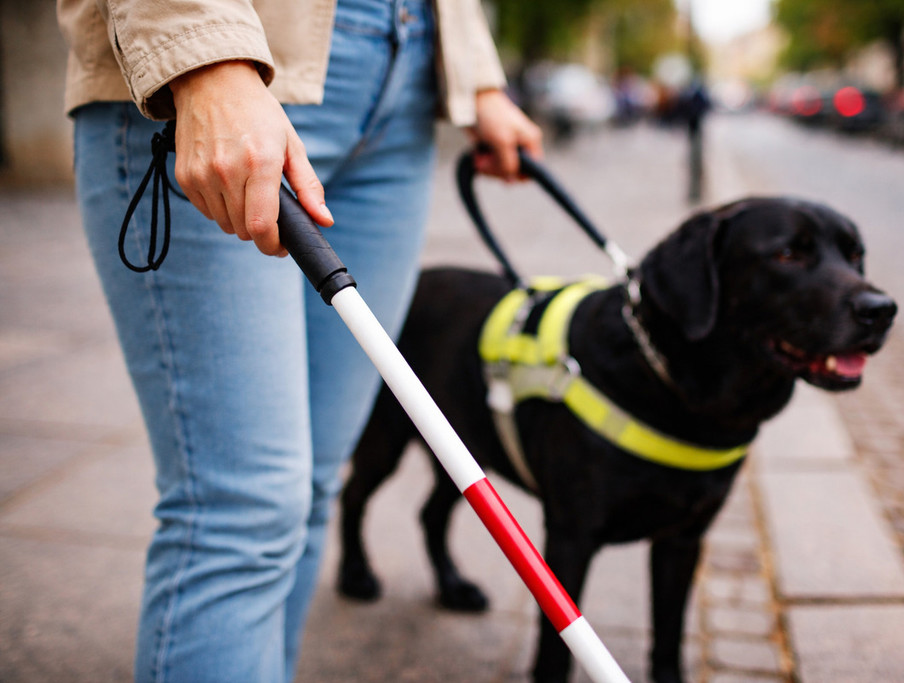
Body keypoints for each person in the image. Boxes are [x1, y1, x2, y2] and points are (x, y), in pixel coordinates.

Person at [56, 1, 543, 681]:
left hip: (403, 81)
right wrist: (202, 51)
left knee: (313, 486)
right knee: (241, 512)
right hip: (237, 56)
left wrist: (477, 77)